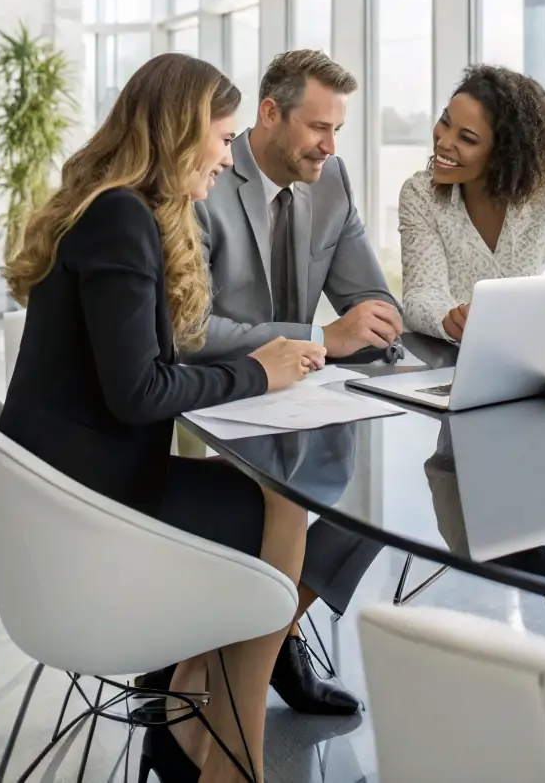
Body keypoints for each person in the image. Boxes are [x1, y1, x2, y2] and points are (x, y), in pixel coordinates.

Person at [0, 54, 325, 783]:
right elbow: (139, 391)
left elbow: (136, 375)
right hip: (90, 510)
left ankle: (198, 726)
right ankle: (231, 753)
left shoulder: (111, 207)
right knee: (284, 509)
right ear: (181, 133)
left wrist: (248, 371)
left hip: (71, 488)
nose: (229, 154)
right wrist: (259, 372)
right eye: (222, 136)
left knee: (263, 498)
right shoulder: (122, 218)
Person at [192, 48, 402, 715]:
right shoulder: (209, 176)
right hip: (219, 396)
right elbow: (190, 330)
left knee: (372, 507)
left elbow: (366, 293)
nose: (330, 145)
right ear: (270, 113)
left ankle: (270, 641)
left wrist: (376, 319)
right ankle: (222, 662)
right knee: (281, 504)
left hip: (302, 397)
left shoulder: (332, 179)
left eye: (337, 128)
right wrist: (320, 338)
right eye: (318, 127)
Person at [398, 64, 545, 341]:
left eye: (467, 139)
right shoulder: (419, 193)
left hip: (532, 347)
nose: (443, 142)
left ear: (505, 154)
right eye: (446, 121)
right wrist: (453, 321)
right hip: (448, 355)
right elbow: (420, 295)